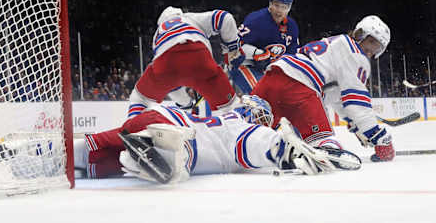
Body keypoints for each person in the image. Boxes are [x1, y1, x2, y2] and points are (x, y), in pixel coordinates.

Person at [73, 95, 358, 183]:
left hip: (156, 116)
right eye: (262, 117)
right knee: (178, 160)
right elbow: (265, 145)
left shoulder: (222, 116)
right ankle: (159, 150)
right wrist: (298, 153)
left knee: (94, 153)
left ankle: (71, 157)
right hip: (175, 135)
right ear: (254, 114)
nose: (263, 123)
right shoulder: (242, 127)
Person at [250, 15, 395, 162]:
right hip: (299, 88)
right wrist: (379, 137)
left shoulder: (337, 43)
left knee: (250, 135)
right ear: (361, 34)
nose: (371, 50)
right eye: (371, 42)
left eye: (377, 47)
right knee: (323, 148)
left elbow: (335, 96)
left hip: (272, 77)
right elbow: (356, 102)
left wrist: (356, 125)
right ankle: (312, 151)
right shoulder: (357, 56)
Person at [127, 6, 244, 119]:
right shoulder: (189, 17)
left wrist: (186, 104)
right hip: (200, 59)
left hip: (166, 60)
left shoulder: (158, 33)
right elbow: (224, 17)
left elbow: (171, 84)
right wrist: (232, 47)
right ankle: (240, 130)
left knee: (139, 99)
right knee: (229, 107)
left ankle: (133, 128)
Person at [230, 0, 300, 94]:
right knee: (263, 96)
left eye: (284, 7)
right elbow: (234, 46)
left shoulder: (292, 26)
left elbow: (292, 55)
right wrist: (255, 53)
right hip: (245, 65)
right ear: (270, 4)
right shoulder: (256, 20)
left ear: (289, 8)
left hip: (269, 71)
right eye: (277, 5)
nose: (279, 10)